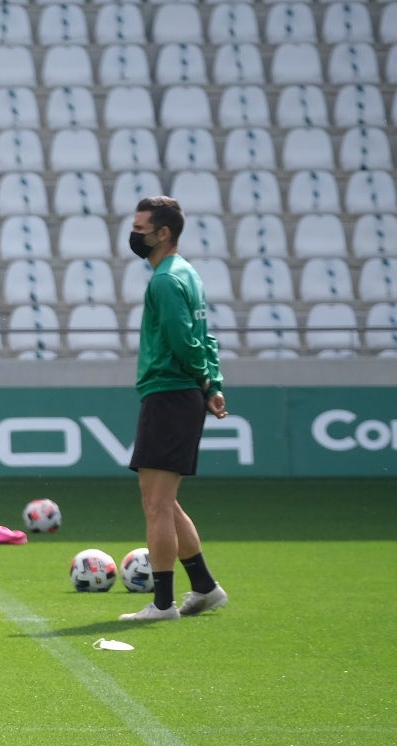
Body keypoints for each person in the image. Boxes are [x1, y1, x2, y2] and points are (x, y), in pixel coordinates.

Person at [118, 195, 230, 623]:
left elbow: (184, 340)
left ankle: (162, 604)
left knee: (157, 505)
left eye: (141, 228)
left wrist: (203, 380)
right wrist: (213, 383)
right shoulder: (188, 275)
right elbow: (207, 338)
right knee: (163, 500)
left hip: (169, 392)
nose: (135, 235)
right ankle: (204, 588)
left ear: (163, 233)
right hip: (179, 393)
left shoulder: (165, 280)